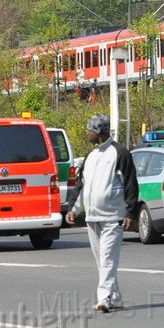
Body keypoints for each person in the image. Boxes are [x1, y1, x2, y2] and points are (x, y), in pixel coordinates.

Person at [65, 114, 139, 313]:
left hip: (113, 216)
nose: (86, 133)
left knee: (107, 258)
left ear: (98, 132)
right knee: (102, 261)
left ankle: (103, 298)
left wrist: (130, 214)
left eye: (88, 130)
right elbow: (82, 185)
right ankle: (115, 297)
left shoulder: (120, 153)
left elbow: (131, 185)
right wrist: (73, 209)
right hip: (92, 217)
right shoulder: (91, 156)